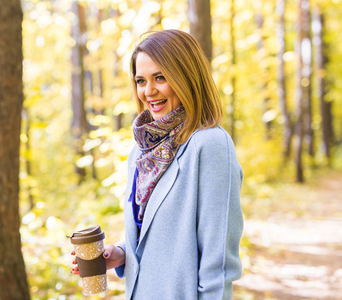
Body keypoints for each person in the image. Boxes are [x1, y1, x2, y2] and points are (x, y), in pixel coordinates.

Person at [72, 29, 243, 300]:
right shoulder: (140, 153)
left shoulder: (209, 145)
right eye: (141, 80)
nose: (148, 91)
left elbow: (218, 263)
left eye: (160, 77)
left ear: (186, 77)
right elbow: (159, 241)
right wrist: (121, 255)